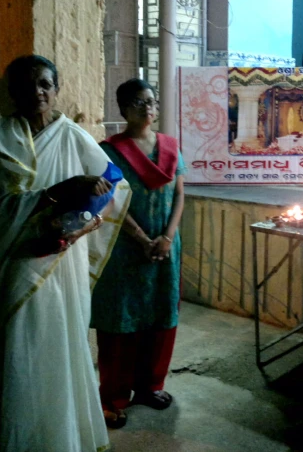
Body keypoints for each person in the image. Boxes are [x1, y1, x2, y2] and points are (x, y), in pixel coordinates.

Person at [0, 55, 131, 451]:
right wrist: (63, 190)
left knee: (63, 342)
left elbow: (115, 184)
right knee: (20, 347)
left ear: (56, 88)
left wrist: (81, 225)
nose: (37, 92)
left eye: (45, 84)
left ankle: (65, 437)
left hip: (64, 259)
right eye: (26, 85)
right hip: (17, 260)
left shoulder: (72, 135)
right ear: (11, 92)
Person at [91, 78, 186, 429]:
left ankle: (150, 386)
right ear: (122, 109)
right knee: (121, 321)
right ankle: (113, 398)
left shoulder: (171, 147)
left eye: (151, 101)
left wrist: (167, 236)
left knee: (162, 317)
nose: (146, 108)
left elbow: (179, 194)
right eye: (136, 102)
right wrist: (143, 239)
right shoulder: (110, 151)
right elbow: (112, 201)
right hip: (125, 249)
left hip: (165, 246)